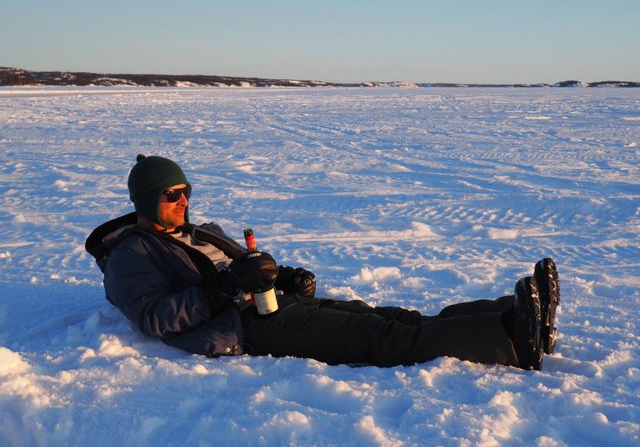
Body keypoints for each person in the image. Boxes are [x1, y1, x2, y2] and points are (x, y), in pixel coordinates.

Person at [85, 155, 560, 370]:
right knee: (382, 339)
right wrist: (226, 287)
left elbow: (245, 267)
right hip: (246, 327)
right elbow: (154, 319)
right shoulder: (132, 254)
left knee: (392, 317)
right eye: (172, 194)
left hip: (275, 304)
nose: (184, 200)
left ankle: (511, 314)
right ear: (147, 200)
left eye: (187, 191)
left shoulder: (199, 231)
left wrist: (284, 276)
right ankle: (512, 341)